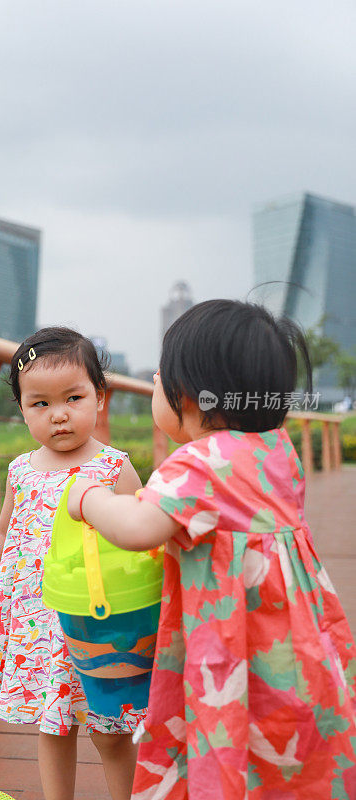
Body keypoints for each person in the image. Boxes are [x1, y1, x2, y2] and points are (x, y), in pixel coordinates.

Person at [67, 300, 356, 800]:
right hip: (298, 645)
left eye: (158, 378)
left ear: (189, 395)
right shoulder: (277, 450)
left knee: (228, 739)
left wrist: (87, 498)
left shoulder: (199, 463)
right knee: (287, 751)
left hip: (233, 645)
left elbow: (137, 528)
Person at [0, 326, 144, 800]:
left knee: (110, 726)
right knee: (54, 724)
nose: (60, 415)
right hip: (38, 619)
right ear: (23, 410)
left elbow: (140, 536)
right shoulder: (22, 470)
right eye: (40, 404)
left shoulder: (114, 467)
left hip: (98, 618)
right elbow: (4, 531)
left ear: (99, 398)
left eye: (74, 397)